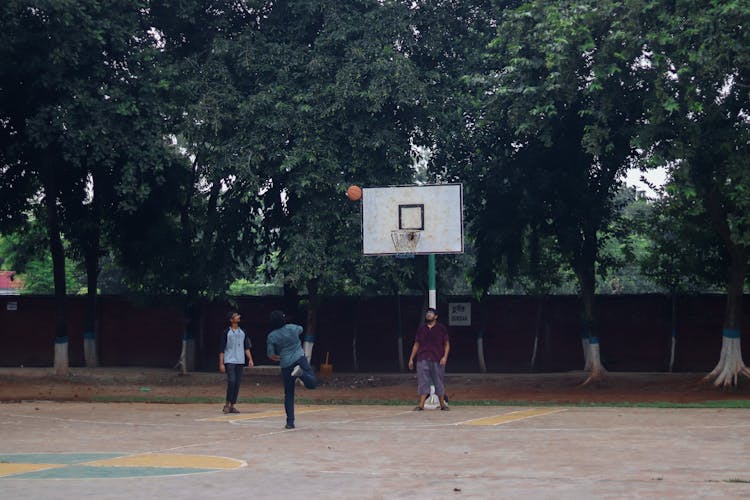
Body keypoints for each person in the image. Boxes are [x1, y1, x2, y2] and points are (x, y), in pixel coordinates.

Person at [266, 310, 317, 429]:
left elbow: (271, 355)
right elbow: (301, 329)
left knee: (289, 393)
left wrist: (281, 357)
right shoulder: (292, 328)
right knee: (312, 383)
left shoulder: (272, 336)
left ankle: (290, 422)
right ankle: (301, 373)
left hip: (286, 364)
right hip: (299, 358)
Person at [408, 307, 450, 411]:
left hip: (437, 358)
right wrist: (411, 359)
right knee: (423, 381)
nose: (429, 315)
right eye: (427, 313)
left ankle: (442, 404)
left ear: (436, 316)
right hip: (422, 358)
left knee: (438, 381)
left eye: (431, 313)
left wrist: (445, 357)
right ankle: (421, 405)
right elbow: (416, 344)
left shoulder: (441, 328)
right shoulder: (421, 329)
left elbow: (447, 344)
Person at [219, 311, 254, 414]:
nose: (239, 316)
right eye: (236, 316)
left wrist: (250, 359)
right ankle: (227, 404)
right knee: (232, 381)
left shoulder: (243, 331)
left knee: (237, 383)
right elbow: (221, 349)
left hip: (240, 360)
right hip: (229, 360)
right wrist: (221, 363)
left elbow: (246, 347)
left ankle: (232, 405)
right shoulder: (226, 332)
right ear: (231, 319)